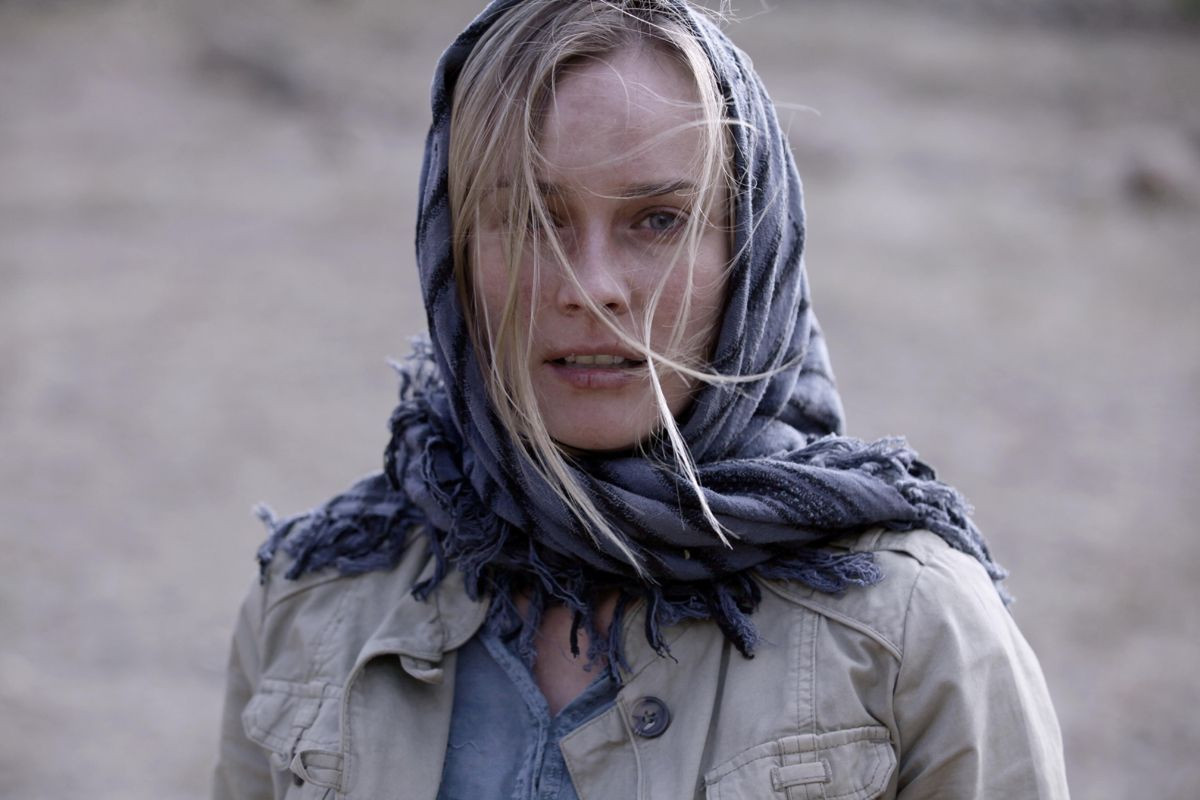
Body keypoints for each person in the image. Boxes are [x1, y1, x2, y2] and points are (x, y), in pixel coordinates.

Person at [212, 1, 1070, 798]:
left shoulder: (914, 634)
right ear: (452, 252)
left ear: (751, 253)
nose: (591, 288)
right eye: (531, 217)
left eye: (658, 219)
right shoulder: (312, 607)